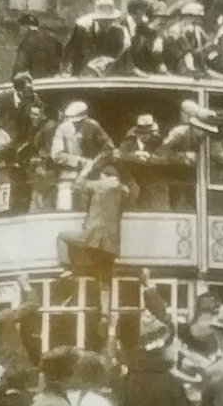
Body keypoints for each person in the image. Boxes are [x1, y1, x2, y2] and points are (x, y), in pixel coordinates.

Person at [56, 157, 129, 302]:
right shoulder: (122, 189)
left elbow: (76, 186)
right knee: (105, 279)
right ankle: (104, 315)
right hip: (111, 244)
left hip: (92, 236)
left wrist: (86, 169)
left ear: (103, 176)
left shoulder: (100, 185)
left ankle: (67, 269)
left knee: (61, 237)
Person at [50, 101, 115, 189]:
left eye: (80, 121)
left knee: (111, 187)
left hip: (95, 170)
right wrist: (79, 161)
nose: (77, 124)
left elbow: (108, 147)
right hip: (70, 171)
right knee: (66, 193)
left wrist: (96, 163)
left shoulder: (93, 126)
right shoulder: (62, 129)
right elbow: (56, 154)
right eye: (74, 122)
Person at [62, 0, 124, 76]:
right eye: (103, 20)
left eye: (110, 20)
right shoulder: (82, 30)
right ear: (97, 19)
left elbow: (117, 55)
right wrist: (65, 67)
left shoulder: (117, 32)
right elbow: (70, 50)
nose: (107, 23)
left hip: (106, 74)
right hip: (82, 74)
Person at [117, 114, 167, 210]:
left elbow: (165, 158)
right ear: (137, 133)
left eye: (148, 133)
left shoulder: (156, 143)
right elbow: (120, 156)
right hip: (129, 177)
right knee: (133, 191)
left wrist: (150, 157)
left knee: (155, 191)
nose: (146, 136)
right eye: (143, 133)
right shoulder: (127, 143)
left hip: (149, 178)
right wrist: (134, 155)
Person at [12, 13, 63, 79]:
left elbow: (20, 66)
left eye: (21, 27)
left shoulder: (26, 43)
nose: (20, 31)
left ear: (26, 28)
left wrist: (14, 78)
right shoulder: (54, 40)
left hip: (37, 83)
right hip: (54, 82)